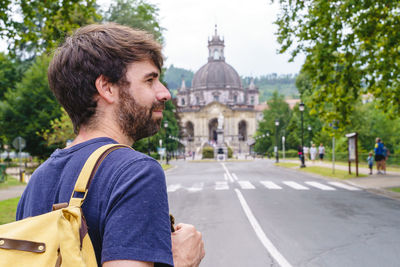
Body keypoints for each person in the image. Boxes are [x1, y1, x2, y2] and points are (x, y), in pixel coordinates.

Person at [16, 23, 204, 267]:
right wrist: (182, 261)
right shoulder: (135, 172)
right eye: (150, 80)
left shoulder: (38, 180)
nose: (165, 93)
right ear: (107, 88)